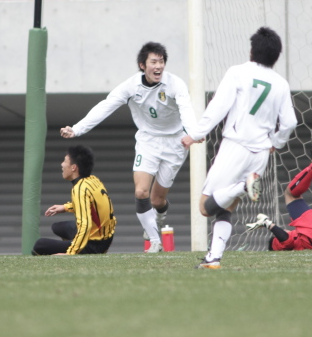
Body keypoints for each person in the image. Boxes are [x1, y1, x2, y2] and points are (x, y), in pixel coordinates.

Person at [60, 42, 195, 253]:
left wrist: (192, 133)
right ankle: (155, 241)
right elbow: (106, 106)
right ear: (143, 65)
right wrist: (77, 129)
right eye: (153, 62)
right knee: (141, 191)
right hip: (148, 140)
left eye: (161, 61)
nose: (158, 66)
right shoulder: (131, 87)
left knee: (157, 199)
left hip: (175, 142)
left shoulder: (175, 84)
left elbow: (186, 108)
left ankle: (159, 217)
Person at [181, 27, 297, 269]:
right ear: (276, 56)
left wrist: (195, 135)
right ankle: (214, 258)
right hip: (261, 155)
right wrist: (276, 143)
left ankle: (242, 186)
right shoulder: (281, 84)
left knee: (205, 207)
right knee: (227, 207)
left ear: (252, 50)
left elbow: (217, 107)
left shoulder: (238, 72)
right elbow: (289, 123)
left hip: (236, 147)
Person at [245, 146, 312, 251]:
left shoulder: (300, 236)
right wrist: (269, 225)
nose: (284, 230)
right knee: (290, 194)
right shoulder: (285, 241)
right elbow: (286, 241)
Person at [33, 146, 116, 256]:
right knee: (58, 227)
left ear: (73, 168)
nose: (62, 165)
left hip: (95, 244)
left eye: (65, 161)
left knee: (40, 245)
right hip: (105, 238)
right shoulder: (92, 179)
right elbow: (91, 206)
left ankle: (78, 251)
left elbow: (85, 226)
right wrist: (66, 207)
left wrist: (70, 254)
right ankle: (76, 246)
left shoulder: (79, 189)